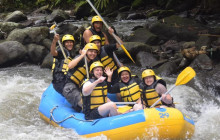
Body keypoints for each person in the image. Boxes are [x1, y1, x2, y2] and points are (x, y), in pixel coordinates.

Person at [62, 43, 99, 112]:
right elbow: (70, 66)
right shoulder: (81, 58)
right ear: (86, 52)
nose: (93, 54)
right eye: (91, 51)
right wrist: (82, 55)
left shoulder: (91, 63)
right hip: (69, 87)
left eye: (95, 52)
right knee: (86, 106)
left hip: (79, 87)